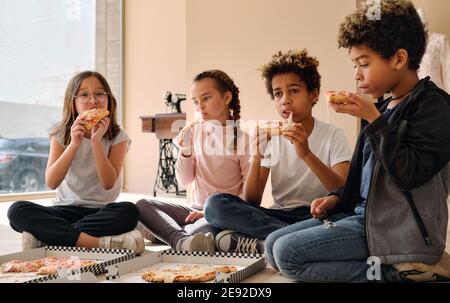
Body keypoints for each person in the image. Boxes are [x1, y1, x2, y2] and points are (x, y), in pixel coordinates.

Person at [265, 0, 450, 282]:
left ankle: (401, 274)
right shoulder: (381, 108)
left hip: (401, 232)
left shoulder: (433, 106)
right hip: (364, 218)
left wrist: (374, 120)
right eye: (354, 64)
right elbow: (358, 182)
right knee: (271, 245)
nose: (356, 74)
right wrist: (334, 199)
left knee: (288, 255)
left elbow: (410, 173)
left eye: (364, 63)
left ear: (398, 59)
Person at [205, 49, 352, 254]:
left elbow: (343, 191)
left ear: (313, 93)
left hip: (316, 216)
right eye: (278, 93)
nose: (285, 100)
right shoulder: (272, 138)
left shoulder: (333, 134)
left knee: (345, 219)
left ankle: (270, 241)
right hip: (277, 216)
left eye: (294, 90)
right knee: (215, 204)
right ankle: (290, 240)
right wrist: (257, 155)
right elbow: (252, 201)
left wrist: (306, 155)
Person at [7, 71, 144, 254]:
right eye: (84, 94)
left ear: (109, 99)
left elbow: (108, 183)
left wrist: (96, 142)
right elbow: (51, 182)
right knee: (17, 210)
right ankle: (96, 243)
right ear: (73, 103)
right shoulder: (61, 134)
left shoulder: (118, 136)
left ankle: (50, 236)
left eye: (99, 94)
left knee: (129, 211)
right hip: (64, 209)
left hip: (100, 212)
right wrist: (74, 144)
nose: (93, 100)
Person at [136, 70, 250, 252]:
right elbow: (184, 180)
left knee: (199, 232)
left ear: (227, 97)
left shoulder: (244, 141)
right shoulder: (195, 132)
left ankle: (169, 235)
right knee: (141, 206)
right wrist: (186, 150)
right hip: (191, 210)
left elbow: (248, 197)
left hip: (218, 215)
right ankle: (180, 238)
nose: (199, 107)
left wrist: (208, 213)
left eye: (206, 98)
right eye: (196, 101)